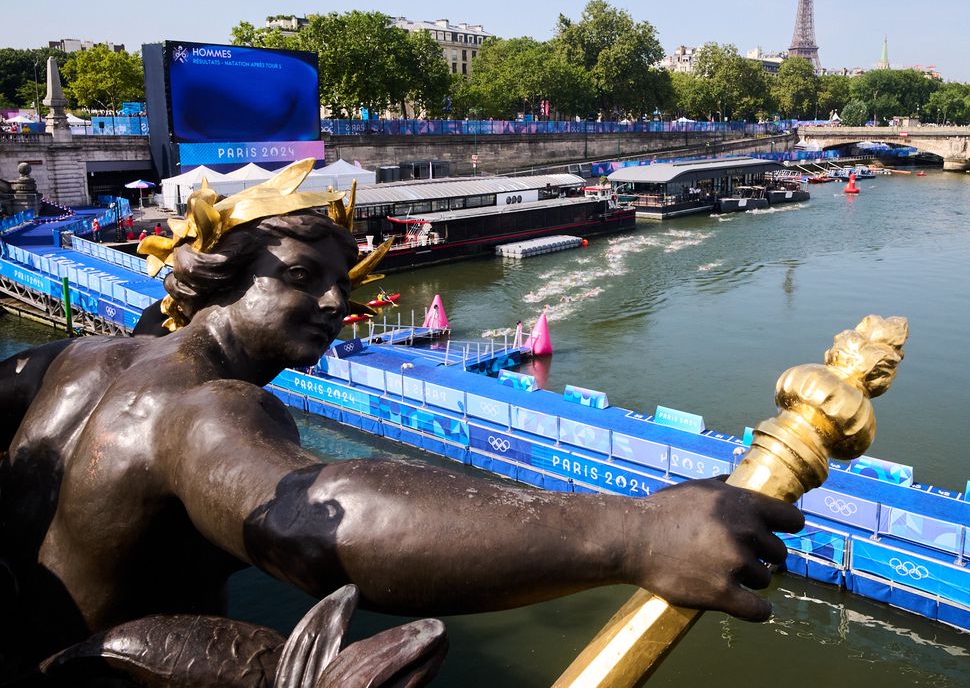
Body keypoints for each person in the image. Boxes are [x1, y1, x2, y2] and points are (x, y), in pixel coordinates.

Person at [0, 161, 803, 680]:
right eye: (303, 277)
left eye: (342, 284)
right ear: (220, 274)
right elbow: (314, 522)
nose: (333, 303)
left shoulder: (77, 360)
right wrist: (637, 534)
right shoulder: (207, 404)